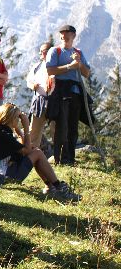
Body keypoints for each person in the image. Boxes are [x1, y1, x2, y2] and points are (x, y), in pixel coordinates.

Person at [0, 103, 81, 202]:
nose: (19, 120)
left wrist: (18, 131)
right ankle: (59, 188)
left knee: (35, 151)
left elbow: (24, 148)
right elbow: (27, 150)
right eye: (17, 117)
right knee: (37, 153)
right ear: (11, 119)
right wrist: (26, 128)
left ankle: (51, 187)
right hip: (1, 178)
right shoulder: (2, 134)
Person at [46, 24, 91, 165]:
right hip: (60, 91)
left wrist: (79, 64)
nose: (64, 36)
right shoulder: (55, 51)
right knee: (62, 126)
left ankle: (70, 158)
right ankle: (60, 158)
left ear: (73, 35)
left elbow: (87, 73)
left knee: (73, 126)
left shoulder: (79, 52)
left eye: (67, 34)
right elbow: (50, 70)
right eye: (62, 34)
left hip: (76, 92)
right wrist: (69, 66)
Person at [26, 42, 55, 148]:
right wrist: (32, 85)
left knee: (56, 130)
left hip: (54, 101)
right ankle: (31, 158)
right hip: (39, 101)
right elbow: (28, 81)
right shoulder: (37, 66)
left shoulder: (57, 66)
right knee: (34, 131)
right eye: (41, 52)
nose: (41, 54)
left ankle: (59, 159)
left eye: (44, 52)